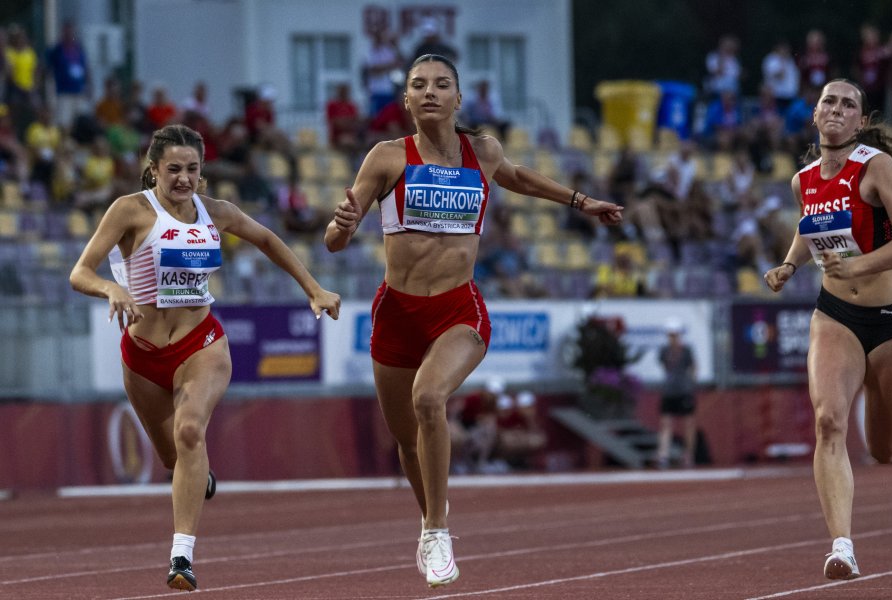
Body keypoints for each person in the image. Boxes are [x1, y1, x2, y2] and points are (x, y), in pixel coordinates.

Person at [324, 53, 622, 587]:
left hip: (458, 309)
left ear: (459, 99)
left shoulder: (480, 151)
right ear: (407, 100)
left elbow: (517, 177)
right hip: (396, 312)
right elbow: (335, 238)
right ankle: (426, 522)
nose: (431, 92)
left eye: (443, 84)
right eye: (420, 85)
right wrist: (342, 227)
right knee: (406, 437)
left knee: (429, 398)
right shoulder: (387, 158)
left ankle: (438, 532)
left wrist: (580, 201)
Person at [68, 124, 341, 591]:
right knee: (174, 458)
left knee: (191, 428)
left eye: (192, 169)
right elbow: (80, 272)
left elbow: (270, 241)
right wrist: (110, 287)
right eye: (173, 169)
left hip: (202, 344)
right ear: (153, 169)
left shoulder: (216, 212)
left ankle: (182, 556)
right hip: (142, 355)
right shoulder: (130, 211)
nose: (183, 179)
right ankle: (197, 475)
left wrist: (313, 289)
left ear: (202, 172)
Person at [762, 79, 892, 581]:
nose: (836, 109)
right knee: (828, 421)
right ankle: (842, 547)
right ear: (814, 115)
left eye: (847, 104)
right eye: (829, 101)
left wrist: (857, 268)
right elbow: (808, 226)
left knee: (884, 449)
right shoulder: (803, 179)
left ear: (860, 120)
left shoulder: (878, 168)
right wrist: (789, 266)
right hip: (835, 316)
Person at [655, 319, 697, 469]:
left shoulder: (686, 350)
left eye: (675, 335)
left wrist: (691, 384)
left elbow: (693, 367)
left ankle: (688, 455)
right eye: (670, 335)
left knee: (689, 424)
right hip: (669, 391)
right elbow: (664, 367)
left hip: (684, 391)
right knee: (666, 423)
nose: (672, 338)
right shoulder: (664, 351)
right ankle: (663, 455)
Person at [46, 20, 91, 130]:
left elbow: (86, 68)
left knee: (81, 121)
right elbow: (48, 68)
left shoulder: (79, 49)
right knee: (64, 121)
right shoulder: (57, 50)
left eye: (71, 32)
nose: (69, 35)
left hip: (79, 91)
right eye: (66, 32)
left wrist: (89, 86)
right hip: (64, 91)